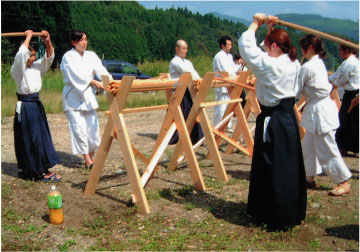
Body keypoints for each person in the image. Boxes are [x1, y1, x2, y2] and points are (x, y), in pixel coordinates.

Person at [239, 14, 306, 230]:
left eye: (268, 46)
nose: (266, 50)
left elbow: (247, 48)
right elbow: (270, 54)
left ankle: (274, 213)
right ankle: (289, 211)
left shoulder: (269, 65)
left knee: (273, 166)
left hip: (273, 120)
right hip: (287, 118)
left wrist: (255, 24)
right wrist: (269, 31)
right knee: (287, 166)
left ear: (275, 45)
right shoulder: (294, 64)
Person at [298, 35, 352, 196]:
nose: (302, 51)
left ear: (309, 48)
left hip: (320, 111)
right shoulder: (317, 64)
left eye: (303, 47)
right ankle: (308, 177)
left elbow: (296, 89)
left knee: (327, 149)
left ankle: (343, 182)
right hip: (317, 108)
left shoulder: (308, 67)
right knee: (308, 146)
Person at [11, 30, 61, 182]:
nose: (32, 58)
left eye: (33, 55)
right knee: (29, 139)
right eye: (30, 55)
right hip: (26, 107)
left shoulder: (37, 67)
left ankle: (38, 169)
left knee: (39, 138)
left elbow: (49, 57)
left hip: (36, 105)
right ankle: (33, 171)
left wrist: (47, 40)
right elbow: (20, 55)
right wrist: (28, 36)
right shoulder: (17, 69)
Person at [60, 30, 109, 169]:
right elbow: (76, 75)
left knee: (92, 128)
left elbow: (101, 69)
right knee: (79, 129)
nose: (84, 42)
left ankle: (92, 158)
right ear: (73, 42)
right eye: (80, 40)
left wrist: (109, 81)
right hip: (73, 97)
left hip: (88, 97)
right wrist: (93, 82)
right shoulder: (68, 56)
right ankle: (87, 160)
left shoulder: (91, 55)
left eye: (86, 39)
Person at [168, 39, 204, 145]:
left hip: (188, 90)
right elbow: (187, 73)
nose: (185, 51)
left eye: (186, 49)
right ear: (177, 49)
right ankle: (176, 136)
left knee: (192, 113)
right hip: (179, 92)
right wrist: (198, 79)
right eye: (183, 48)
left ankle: (195, 136)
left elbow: (194, 72)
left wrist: (201, 80)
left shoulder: (187, 62)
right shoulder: (175, 61)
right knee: (181, 114)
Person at [329, 44, 359, 156]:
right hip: (353, 93)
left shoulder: (349, 63)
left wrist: (330, 84)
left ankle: (343, 147)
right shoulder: (352, 61)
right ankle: (350, 147)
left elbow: (340, 79)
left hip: (353, 95)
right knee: (352, 121)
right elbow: (337, 77)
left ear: (346, 50)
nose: (339, 52)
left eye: (340, 50)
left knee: (345, 120)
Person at [213, 36, 245, 130]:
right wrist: (234, 74)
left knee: (230, 106)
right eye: (229, 44)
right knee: (221, 107)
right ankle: (218, 126)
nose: (231, 46)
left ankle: (227, 125)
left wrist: (240, 67)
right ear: (223, 45)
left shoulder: (230, 56)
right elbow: (225, 71)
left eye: (231, 44)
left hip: (230, 84)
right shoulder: (219, 56)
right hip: (222, 84)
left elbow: (233, 69)